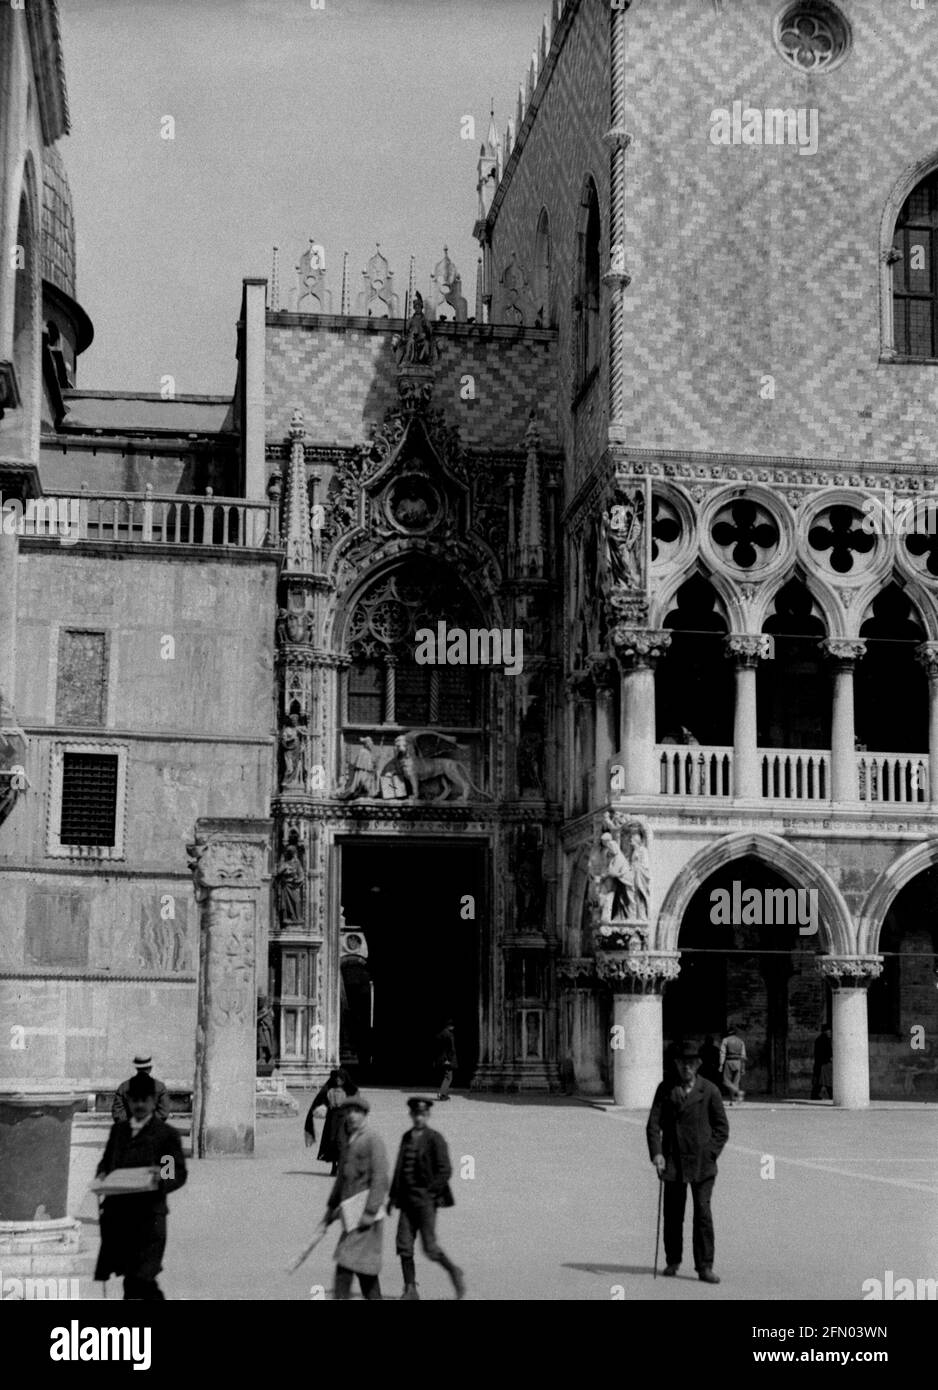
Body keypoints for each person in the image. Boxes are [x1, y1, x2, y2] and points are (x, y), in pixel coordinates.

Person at [94, 1073, 187, 1300]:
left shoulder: (166, 1135)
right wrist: (101, 1178)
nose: (139, 1105)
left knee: (141, 1277)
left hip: (150, 1218)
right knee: (132, 1280)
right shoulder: (119, 1132)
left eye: (144, 1100)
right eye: (134, 1100)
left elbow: (174, 1173)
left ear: (154, 1102)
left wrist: (159, 1180)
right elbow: (106, 1164)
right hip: (120, 1219)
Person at [646, 1040, 729, 1285]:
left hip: (702, 1164)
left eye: (691, 1064)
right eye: (683, 1064)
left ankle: (705, 1266)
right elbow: (653, 1125)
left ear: (698, 1065)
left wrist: (710, 1152)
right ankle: (673, 1259)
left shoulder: (710, 1090)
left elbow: (722, 1128)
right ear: (676, 1065)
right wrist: (657, 1154)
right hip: (673, 1161)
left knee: (702, 1213)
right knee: (673, 1213)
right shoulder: (665, 1088)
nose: (687, 1068)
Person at [388, 1097, 466, 1301]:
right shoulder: (407, 1137)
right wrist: (392, 1198)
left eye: (422, 1115)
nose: (419, 1118)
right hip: (406, 1200)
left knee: (430, 1247)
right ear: (411, 1115)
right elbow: (399, 1168)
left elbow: (445, 1169)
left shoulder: (434, 1138)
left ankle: (453, 1271)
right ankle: (410, 1288)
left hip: (425, 1201)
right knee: (404, 1244)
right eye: (416, 1115)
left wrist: (430, 1192)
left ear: (428, 1116)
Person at [323, 1095, 389, 1301]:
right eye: (348, 1112)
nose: (351, 1116)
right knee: (364, 1271)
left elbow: (380, 1177)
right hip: (351, 1215)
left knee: (346, 1266)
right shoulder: (349, 1141)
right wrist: (331, 1208)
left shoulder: (372, 1140)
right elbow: (342, 1179)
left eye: (356, 1112)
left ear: (365, 1115)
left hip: (365, 1217)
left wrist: (370, 1212)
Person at [305, 1068, 358, 1175]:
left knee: (342, 1141)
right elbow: (320, 1100)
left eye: (340, 1078)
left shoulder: (350, 1090)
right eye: (336, 1078)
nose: (338, 1080)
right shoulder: (329, 1090)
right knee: (331, 1141)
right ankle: (334, 1166)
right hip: (332, 1119)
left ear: (344, 1079)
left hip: (344, 1118)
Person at [112, 1053, 170, 1123]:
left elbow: (118, 1112)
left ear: (136, 1068)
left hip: (129, 1130)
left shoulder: (123, 1086)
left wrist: (128, 1127)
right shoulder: (160, 1087)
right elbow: (163, 1112)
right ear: (150, 1068)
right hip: (153, 1130)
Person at [719, 1023, 747, 1105]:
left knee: (726, 1081)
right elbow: (743, 1056)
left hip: (729, 1061)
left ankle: (737, 1093)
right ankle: (733, 1100)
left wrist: (721, 1064)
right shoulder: (740, 1041)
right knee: (735, 1082)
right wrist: (743, 1067)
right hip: (738, 1062)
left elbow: (722, 1053)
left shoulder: (725, 1040)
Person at [434, 1020, 457, 1100]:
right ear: (450, 1026)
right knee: (448, 1077)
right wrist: (449, 1059)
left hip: (440, 1059)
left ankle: (444, 1093)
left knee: (445, 1076)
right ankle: (442, 1094)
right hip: (446, 1059)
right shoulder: (449, 1035)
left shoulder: (439, 1034)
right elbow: (451, 1048)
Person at [811, 1023, 833, 1100]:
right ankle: (831, 1096)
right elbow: (828, 1053)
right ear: (826, 1031)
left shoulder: (819, 1039)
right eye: (829, 1031)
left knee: (819, 1081)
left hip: (819, 1063)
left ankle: (815, 1096)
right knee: (828, 1082)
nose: (830, 1033)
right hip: (824, 1064)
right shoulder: (825, 1040)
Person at [257, 997, 276, 1067]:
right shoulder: (263, 1011)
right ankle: (261, 1058)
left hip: (266, 1030)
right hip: (261, 1030)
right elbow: (257, 1018)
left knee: (268, 1044)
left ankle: (270, 1057)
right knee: (261, 1044)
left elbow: (271, 1020)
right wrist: (264, 1015)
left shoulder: (268, 1011)